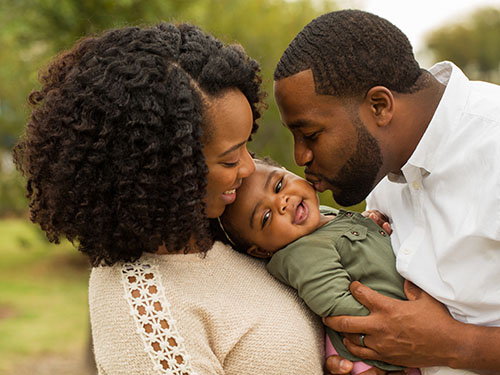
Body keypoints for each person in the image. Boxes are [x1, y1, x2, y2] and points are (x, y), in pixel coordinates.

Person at [12, 22, 328, 374]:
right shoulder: (145, 308)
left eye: (246, 145)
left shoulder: (233, 231)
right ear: (164, 169)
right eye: (229, 158)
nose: (249, 168)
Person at [272, 9, 500, 375]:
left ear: (379, 106)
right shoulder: (382, 171)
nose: (300, 156)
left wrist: (457, 345)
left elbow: (432, 339)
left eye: (310, 134)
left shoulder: (493, 147)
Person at [219, 157, 421, 375]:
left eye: (278, 185)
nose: (282, 203)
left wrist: (366, 226)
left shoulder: (321, 216)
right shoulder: (301, 254)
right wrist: (408, 324)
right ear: (260, 250)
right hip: (384, 352)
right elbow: (339, 306)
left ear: (287, 171)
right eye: (266, 217)